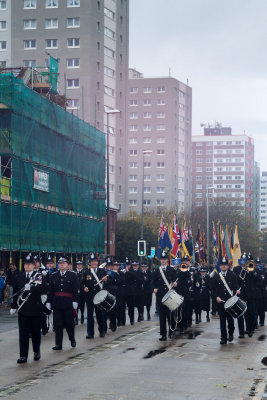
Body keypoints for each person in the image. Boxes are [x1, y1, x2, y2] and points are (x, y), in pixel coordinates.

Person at [10, 254, 47, 363]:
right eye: (26, 264)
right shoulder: (19, 277)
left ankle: (36, 351)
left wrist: (32, 288)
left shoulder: (38, 276)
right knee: (23, 333)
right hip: (23, 309)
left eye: (30, 264)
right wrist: (13, 306)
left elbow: (44, 289)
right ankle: (23, 356)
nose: (27, 266)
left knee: (36, 333)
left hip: (35, 309)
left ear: (34, 265)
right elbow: (16, 293)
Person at [47, 256, 79, 350]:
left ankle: (72, 339)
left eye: (63, 263)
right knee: (58, 324)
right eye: (60, 263)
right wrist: (49, 301)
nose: (61, 265)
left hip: (68, 303)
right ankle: (58, 344)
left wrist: (75, 301)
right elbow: (50, 291)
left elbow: (76, 290)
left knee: (69, 323)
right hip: (57, 303)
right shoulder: (53, 276)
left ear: (67, 265)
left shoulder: (73, 275)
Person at [211, 257, 240, 344]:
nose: (224, 267)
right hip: (221, 303)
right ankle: (223, 338)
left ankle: (230, 333)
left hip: (230, 302)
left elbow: (236, 286)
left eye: (225, 265)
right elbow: (212, 289)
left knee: (230, 320)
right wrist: (216, 297)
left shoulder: (232, 275)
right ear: (220, 266)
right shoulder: (216, 277)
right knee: (222, 321)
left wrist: (237, 291)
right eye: (222, 265)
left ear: (228, 266)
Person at [152, 251, 177, 341]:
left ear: (167, 260)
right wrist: (154, 288)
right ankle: (163, 334)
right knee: (162, 317)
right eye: (162, 259)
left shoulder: (171, 270)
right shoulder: (156, 270)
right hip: (160, 297)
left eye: (164, 259)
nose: (163, 261)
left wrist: (175, 283)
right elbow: (153, 282)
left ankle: (171, 331)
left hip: (169, 296)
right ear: (160, 260)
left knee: (170, 315)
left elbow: (175, 280)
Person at [82, 253, 107, 338]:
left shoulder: (102, 271)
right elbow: (82, 283)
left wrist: (106, 279)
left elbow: (108, 282)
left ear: (98, 262)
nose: (94, 263)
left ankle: (102, 331)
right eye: (92, 261)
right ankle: (90, 333)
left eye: (95, 261)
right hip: (89, 297)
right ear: (90, 263)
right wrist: (84, 287)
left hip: (99, 297)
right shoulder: (86, 272)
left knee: (100, 315)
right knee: (89, 316)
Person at [75, 260, 85, 325]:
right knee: (76, 305)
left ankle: (82, 316)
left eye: (80, 264)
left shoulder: (84, 272)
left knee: (82, 305)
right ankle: (76, 318)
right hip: (76, 291)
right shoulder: (74, 272)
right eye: (78, 264)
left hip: (82, 291)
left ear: (82, 265)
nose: (79, 266)